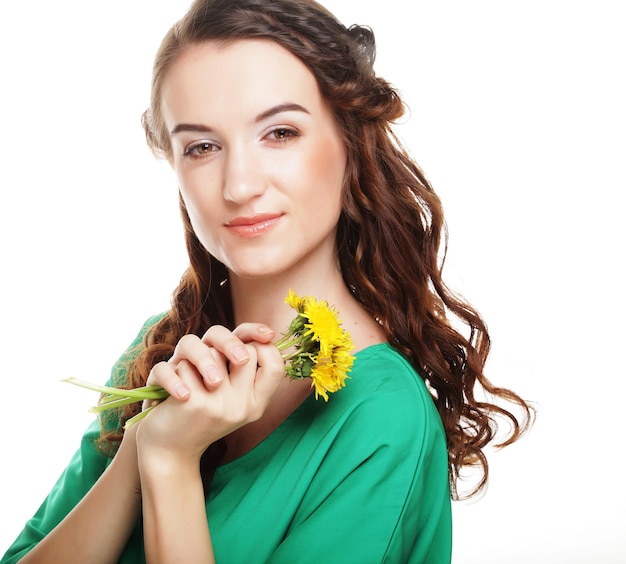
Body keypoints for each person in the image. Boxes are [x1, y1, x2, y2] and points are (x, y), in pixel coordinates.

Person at [2, 0, 534, 562]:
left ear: (351, 144)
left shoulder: (380, 416)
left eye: (279, 133)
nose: (239, 185)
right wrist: (141, 443)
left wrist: (171, 466)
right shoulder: (159, 351)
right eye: (202, 147)